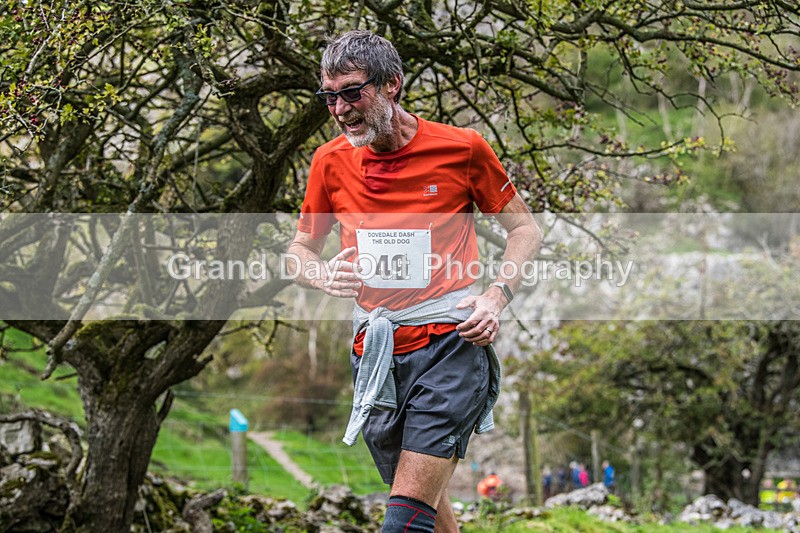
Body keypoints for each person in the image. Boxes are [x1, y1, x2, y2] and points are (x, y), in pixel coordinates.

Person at [286, 30, 541, 533]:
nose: (338, 109)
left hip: (450, 345)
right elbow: (299, 250)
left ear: (392, 85)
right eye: (328, 96)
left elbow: (525, 229)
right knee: (422, 501)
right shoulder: (329, 161)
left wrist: (495, 297)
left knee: (403, 520)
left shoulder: (461, 148)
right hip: (377, 352)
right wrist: (319, 273)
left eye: (351, 92)